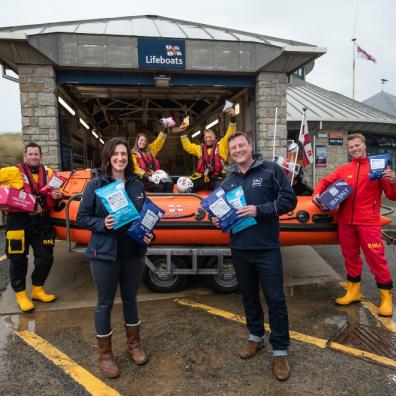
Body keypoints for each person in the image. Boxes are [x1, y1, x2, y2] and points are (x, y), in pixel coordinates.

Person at [211, 132, 297, 381]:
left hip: (266, 247)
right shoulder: (228, 180)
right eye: (233, 147)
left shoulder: (270, 170)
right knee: (248, 297)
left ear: (251, 147)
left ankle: (280, 350)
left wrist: (259, 210)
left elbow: (289, 200)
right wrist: (216, 218)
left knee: (275, 299)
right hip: (239, 248)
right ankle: (255, 337)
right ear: (230, 152)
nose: (238, 150)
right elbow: (217, 210)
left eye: (241, 145)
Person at [77, 137, 153, 379]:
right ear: (108, 156)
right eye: (115, 154)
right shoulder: (95, 185)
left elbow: (145, 217)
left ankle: (134, 346)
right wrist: (103, 223)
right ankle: (106, 356)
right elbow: (82, 217)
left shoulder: (136, 184)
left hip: (133, 254)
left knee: (131, 299)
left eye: (123, 154)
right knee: (104, 303)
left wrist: (150, 234)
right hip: (104, 255)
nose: (120, 158)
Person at [312, 133, 396, 317]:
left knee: (376, 259)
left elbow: (391, 196)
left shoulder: (379, 167)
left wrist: (394, 181)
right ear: (348, 150)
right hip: (345, 223)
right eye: (351, 147)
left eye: (358, 146)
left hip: (368, 223)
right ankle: (353, 292)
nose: (355, 149)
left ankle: (386, 297)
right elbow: (324, 181)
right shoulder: (343, 169)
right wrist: (317, 193)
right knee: (350, 257)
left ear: (364, 146)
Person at [0, 142, 63, 313]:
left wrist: (59, 195)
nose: (34, 157)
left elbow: (58, 194)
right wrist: (3, 199)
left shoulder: (50, 174)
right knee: (18, 259)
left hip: (41, 220)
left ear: (41, 156)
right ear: (24, 156)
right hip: (17, 221)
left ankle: (37, 288)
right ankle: (21, 294)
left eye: (37, 154)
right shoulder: (12, 172)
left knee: (46, 256)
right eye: (30, 154)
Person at [179, 107, 237, 191]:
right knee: (185, 186)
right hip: (202, 178)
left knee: (222, 189)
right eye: (206, 137)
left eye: (210, 137)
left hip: (217, 178)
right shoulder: (199, 149)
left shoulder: (221, 145)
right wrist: (182, 132)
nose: (208, 139)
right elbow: (187, 146)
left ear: (215, 137)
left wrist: (233, 118)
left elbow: (230, 133)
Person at [132, 119, 174, 193]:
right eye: (141, 140)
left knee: (169, 184)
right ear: (137, 141)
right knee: (159, 187)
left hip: (154, 176)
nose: (143, 142)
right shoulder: (133, 153)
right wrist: (147, 176)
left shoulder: (150, 149)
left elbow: (159, 142)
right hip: (142, 179)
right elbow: (134, 168)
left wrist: (164, 130)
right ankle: (159, 202)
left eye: (144, 141)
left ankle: (168, 201)